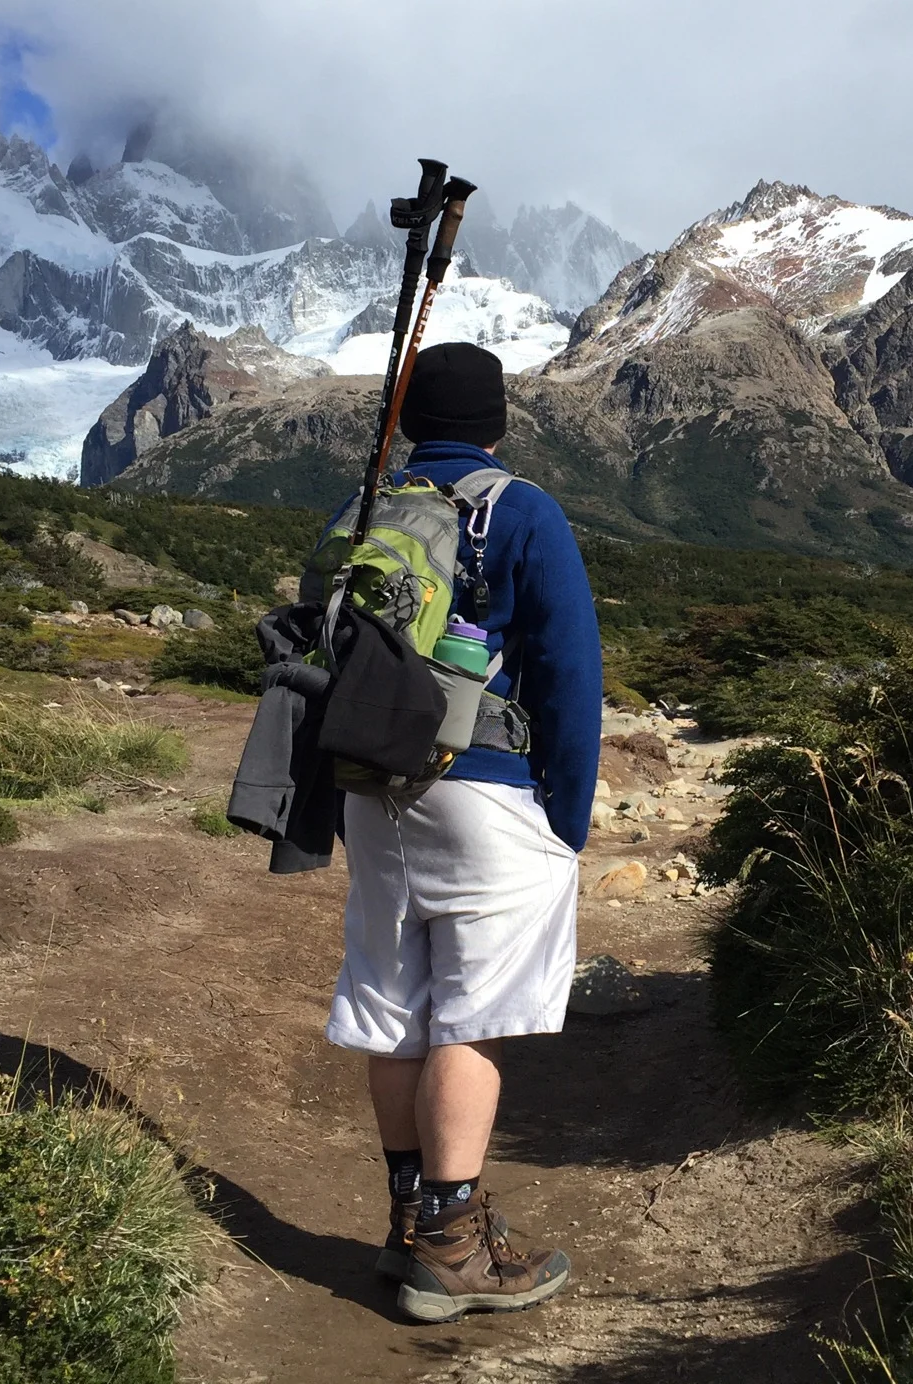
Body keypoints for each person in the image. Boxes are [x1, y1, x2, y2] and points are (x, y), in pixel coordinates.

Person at [324, 341, 602, 1323]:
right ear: (496, 424)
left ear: (409, 424)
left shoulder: (371, 515)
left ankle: (409, 1223)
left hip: (373, 793)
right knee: (471, 1016)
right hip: (482, 794)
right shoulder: (522, 513)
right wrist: (564, 819)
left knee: (396, 1006)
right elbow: (569, 677)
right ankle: (451, 1246)